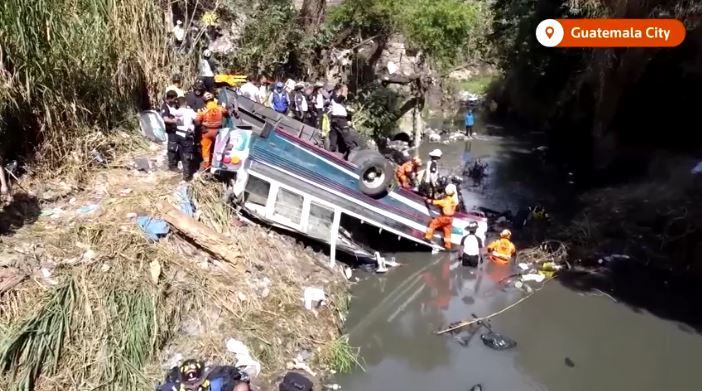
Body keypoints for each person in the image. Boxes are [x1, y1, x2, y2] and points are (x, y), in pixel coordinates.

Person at [196, 92, 237, 170]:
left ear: (204, 101)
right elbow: (227, 115)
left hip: (206, 132)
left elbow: (197, 121)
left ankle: (206, 165)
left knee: (206, 149)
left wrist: (202, 127)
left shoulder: (203, 110)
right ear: (213, 99)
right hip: (218, 132)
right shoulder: (220, 108)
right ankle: (217, 164)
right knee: (218, 148)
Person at [171, 93, 198, 181]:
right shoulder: (189, 111)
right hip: (187, 135)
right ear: (185, 103)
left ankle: (184, 170)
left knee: (181, 153)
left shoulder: (176, 112)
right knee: (187, 154)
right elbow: (197, 119)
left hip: (178, 134)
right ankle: (187, 175)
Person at [424, 183, 458, 250]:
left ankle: (427, 237)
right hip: (450, 219)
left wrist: (426, 199)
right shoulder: (454, 201)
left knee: (433, 224)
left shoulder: (445, 201)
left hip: (444, 217)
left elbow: (433, 202)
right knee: (447, 232)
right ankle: (448, 246)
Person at [160, 90, 180, 172]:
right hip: (170, 130)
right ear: (170, 98)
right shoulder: (165, 107)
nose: (175, 100)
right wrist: (176, 121)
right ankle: (172, 165)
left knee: (177, 146)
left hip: (176, 129)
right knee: (172, 147)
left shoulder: (172, 105)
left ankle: (176, 160)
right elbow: (165, 119)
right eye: (174, 99)